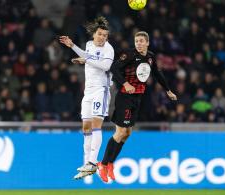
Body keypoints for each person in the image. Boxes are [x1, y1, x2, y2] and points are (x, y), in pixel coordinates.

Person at [97, 31, 177, 182]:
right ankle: (103, 164)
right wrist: (126, 84)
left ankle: (111, 164)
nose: (139, 43)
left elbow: (158, 74)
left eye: (141, 41)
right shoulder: (129, 55)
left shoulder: (151, 57)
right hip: (124, 97)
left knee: (127, 133)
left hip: (137, 98)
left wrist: (168, 90)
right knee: (120, 132)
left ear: (147, 43)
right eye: (136, 41)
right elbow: (114, 68)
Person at [59, 16, 114, 179]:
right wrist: (72, 46)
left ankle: (92, 162)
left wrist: (87, 60)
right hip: (88, 92)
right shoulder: (89, 45)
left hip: (101, 90)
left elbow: (106, 66)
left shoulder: (109, 49)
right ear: (94, 35)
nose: (103, 37)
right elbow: (87, 55)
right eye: (100, 34)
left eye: (105, 35)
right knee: (86, 128)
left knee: (97, 125)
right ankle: (86, 162)